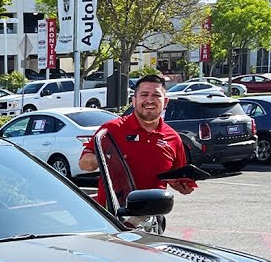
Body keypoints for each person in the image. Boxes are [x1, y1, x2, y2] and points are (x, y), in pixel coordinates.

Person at [78, 74, 197, 211]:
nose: (150, 100)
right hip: (114, 217)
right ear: (134, 101)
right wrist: (108, 158)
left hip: (152, 218)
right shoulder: (112, 129)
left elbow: (181, 183)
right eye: (144, 95)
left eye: (156, 95)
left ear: (165, 102)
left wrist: (183, 186)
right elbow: (84, 164)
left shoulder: (173, 138)